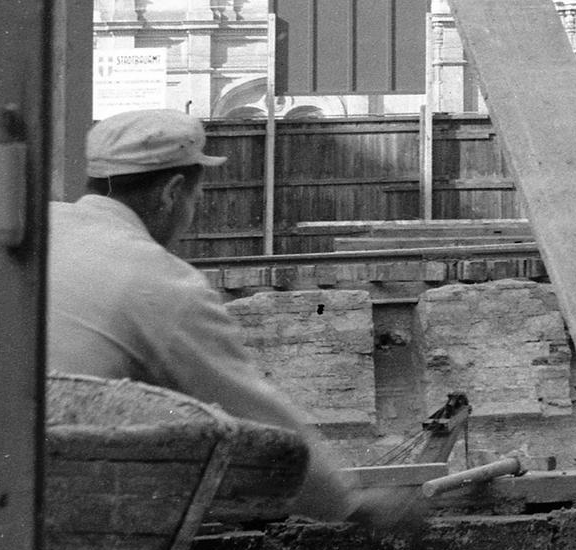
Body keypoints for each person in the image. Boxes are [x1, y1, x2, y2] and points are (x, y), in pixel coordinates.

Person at [47, 109, 384, 524]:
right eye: (196, 198)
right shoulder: (163, 283)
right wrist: (347, 505)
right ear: (171, 193)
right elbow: (260, 418)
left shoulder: (43, 227)